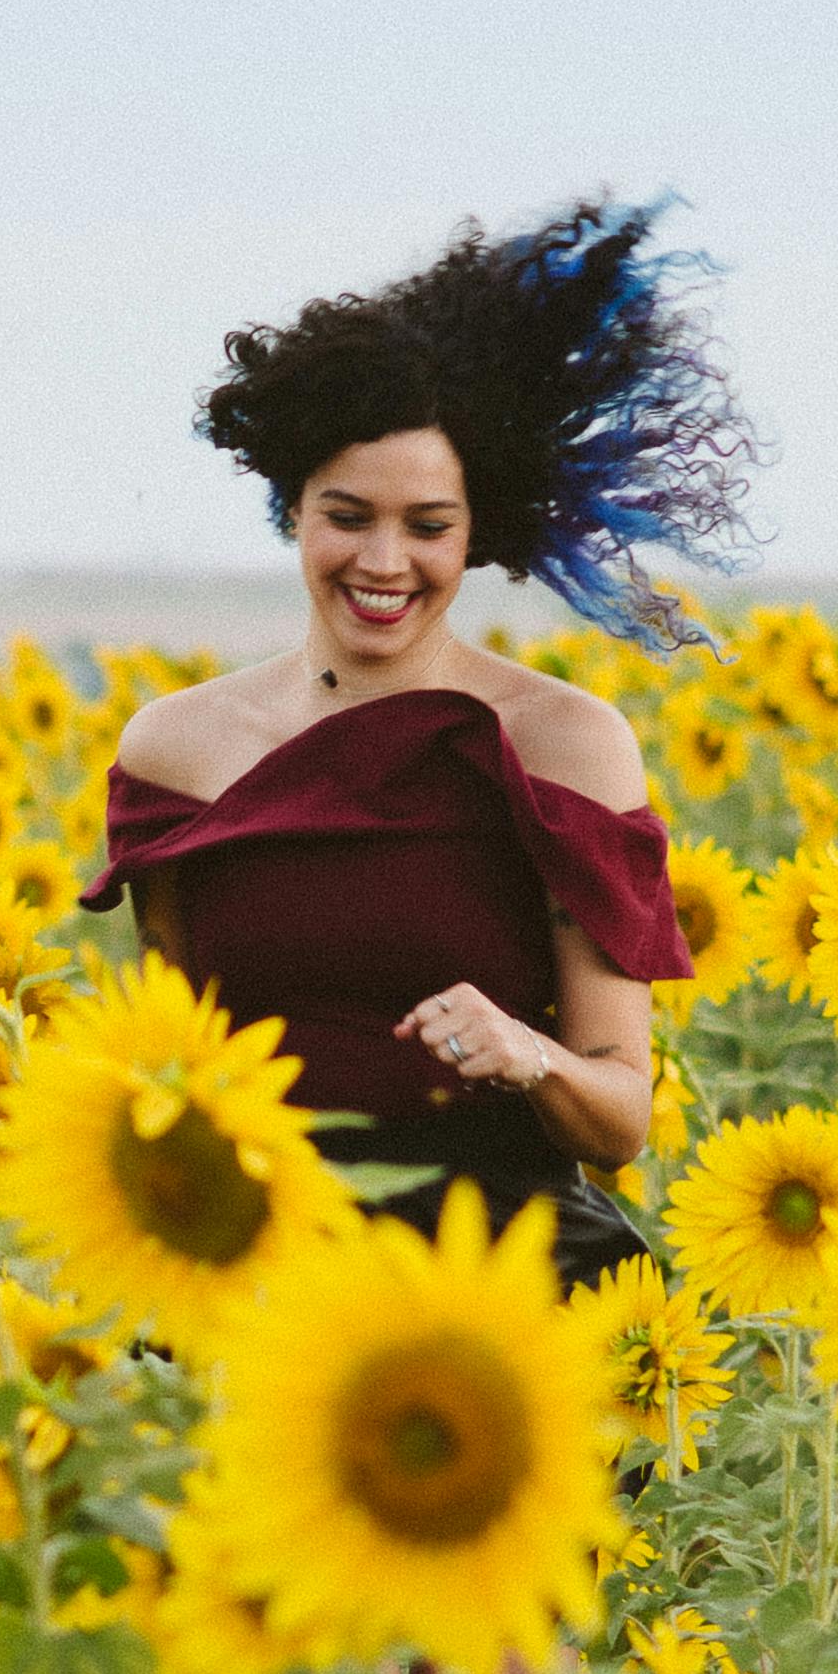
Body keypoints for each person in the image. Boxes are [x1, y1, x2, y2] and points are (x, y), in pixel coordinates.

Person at [88, 198, 754, 1283]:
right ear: (291, 510)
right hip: (257, 1287)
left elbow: (620, 1116)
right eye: (347, 515)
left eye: (428, 526)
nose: (384, 560)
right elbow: (175, 1064)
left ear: (477, 528)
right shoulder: (178, 749)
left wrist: (527, 1055)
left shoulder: (563, 745)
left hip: (505, 1290)